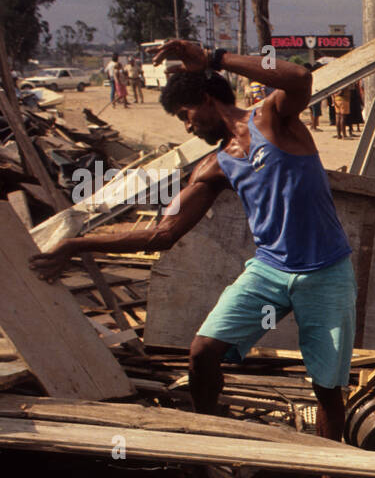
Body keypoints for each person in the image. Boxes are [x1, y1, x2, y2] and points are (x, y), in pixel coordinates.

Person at [29, 40, 355, 441]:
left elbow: (300, 77)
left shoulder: (272, 118)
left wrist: (215, 58)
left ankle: (327, 471)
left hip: (326, 272)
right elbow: (164, 234)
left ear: (205, 99)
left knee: (325, 387)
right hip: (268, 270)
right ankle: (209, 438)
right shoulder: (213, 165)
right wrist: (78, 245)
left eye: (185, 115)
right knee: (202, 352)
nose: (187, 127)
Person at [304, 63, 321, 130]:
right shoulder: (314, 75)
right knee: (315, 112)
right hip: (315, 94)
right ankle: (314, 126)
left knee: (312, 111)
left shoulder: (307, 76)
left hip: (310, 95)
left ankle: (313, 125)